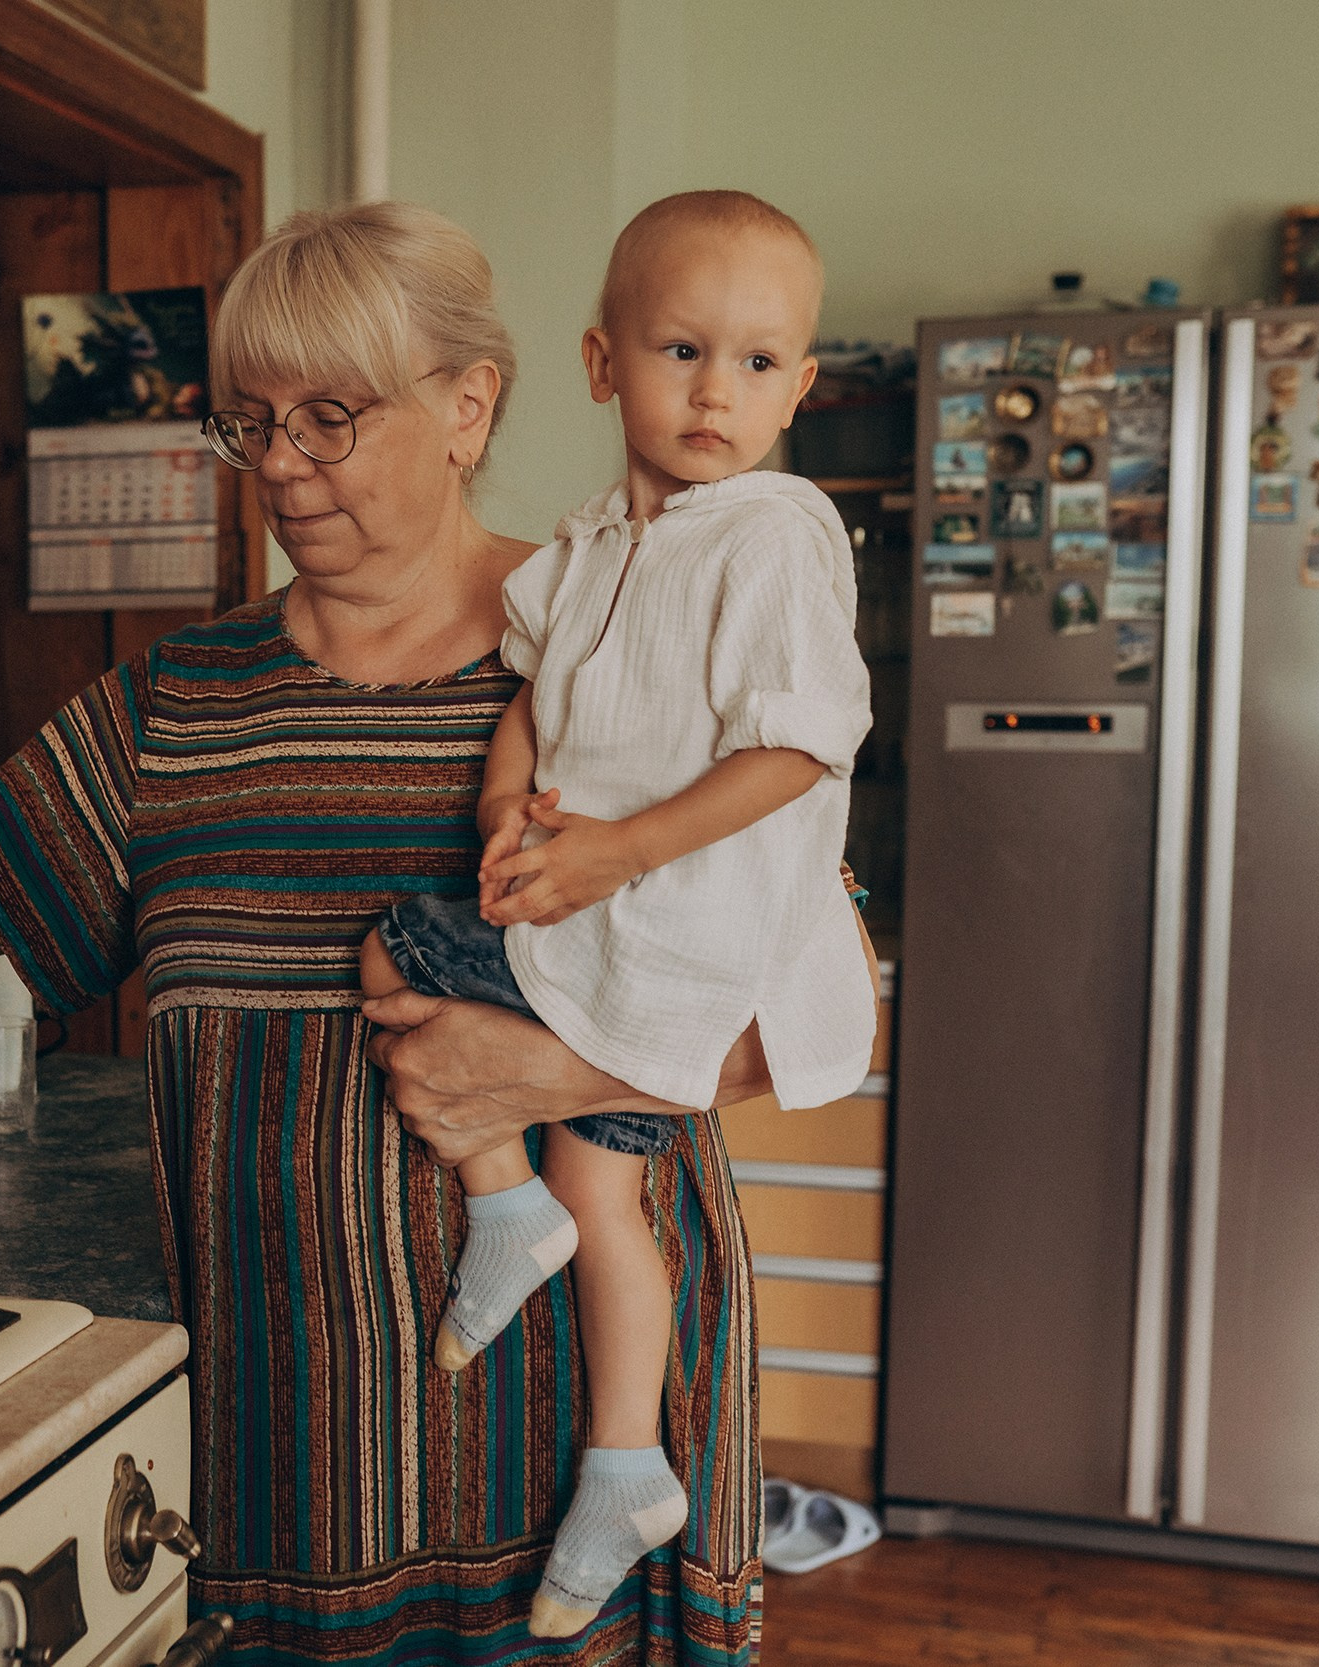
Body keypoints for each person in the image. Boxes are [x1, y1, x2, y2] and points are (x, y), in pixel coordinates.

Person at [0, 200, 788, 1664]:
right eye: (250, 427)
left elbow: (832, 1013)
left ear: (468, 405)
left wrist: (556, 1081)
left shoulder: (626, 634)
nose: (285, 471)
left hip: (580, 1441)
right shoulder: (179, 702)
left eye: (330, 418)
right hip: (291, 1466)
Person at [357, 189, 875, 1637]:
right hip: (585, 932)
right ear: (602, 366)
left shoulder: (773, 538)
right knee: (605, 1196)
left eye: (760, 365)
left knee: (395, 953)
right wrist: (507, 811)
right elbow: (533, 698)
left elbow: (801, 747)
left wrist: (615, 853)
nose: (719, 391)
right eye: (683, 350)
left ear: (802, 388)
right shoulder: (589, 544)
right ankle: (624, 1459)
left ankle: (501, 1203)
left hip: (673, 951)